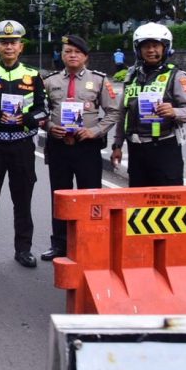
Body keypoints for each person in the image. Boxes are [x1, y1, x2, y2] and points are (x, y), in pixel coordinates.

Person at [40, 34, 120, 261]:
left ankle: (89, 241)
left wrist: (94, 131)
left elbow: (113, 111)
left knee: (90, 196)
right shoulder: (50, 81)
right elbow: (39, 110)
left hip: (87, 147)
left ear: (85, 56)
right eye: (68, 52)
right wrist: (49, 125)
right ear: (62, 55)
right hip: (59, 147)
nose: (72, 55)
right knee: (60, 195)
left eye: (77, 52)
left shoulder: (100, 81)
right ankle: (60, 244)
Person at [0, 20, 48, 269]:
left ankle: (24, 249)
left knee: (23, 198)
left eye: (13, 42)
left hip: (22, 145)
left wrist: (26, 119)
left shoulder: (33, 75)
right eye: (4, 42)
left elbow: (43, 110)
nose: (9, 47)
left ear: (21, 46)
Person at [110, 23, 186, 187]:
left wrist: (174, 111)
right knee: (138, 204)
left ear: (165, 48)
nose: (151, 50)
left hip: (164, 148)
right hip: (136, 150)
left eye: (156, 46)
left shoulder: (177, 77)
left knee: (170, 203)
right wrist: (117, 145)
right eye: (146, 46)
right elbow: (123, 114)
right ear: (138, 50)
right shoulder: (131, 77)